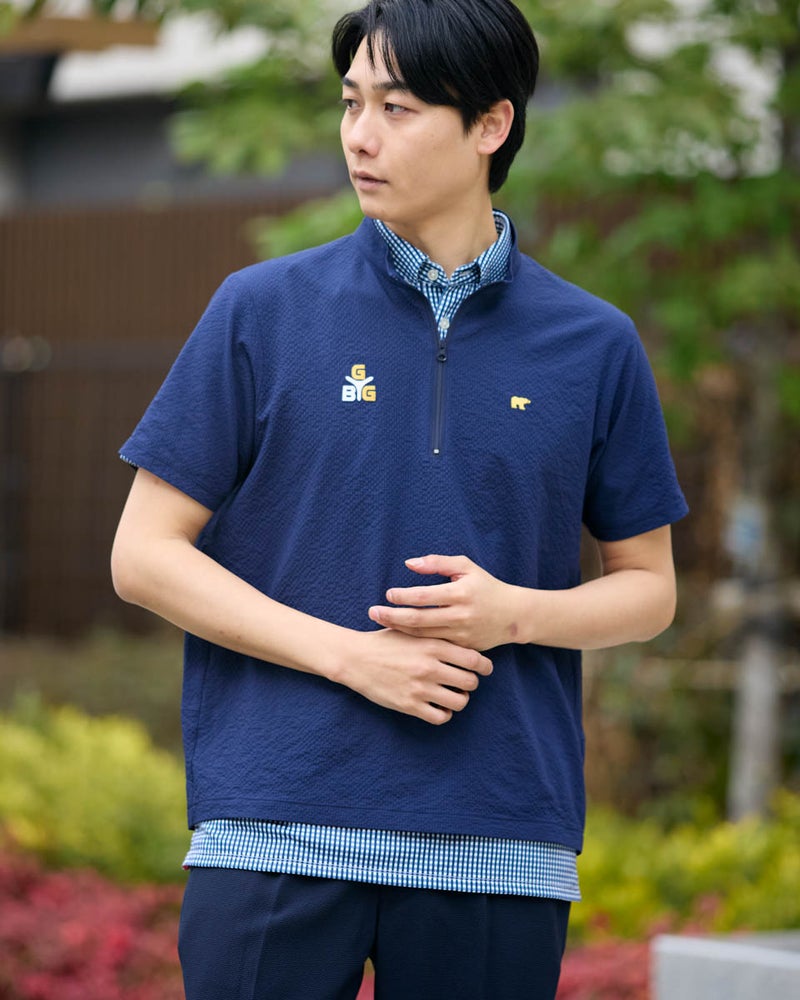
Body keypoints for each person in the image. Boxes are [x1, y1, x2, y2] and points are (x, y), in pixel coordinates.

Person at [111, 0, 688, 997]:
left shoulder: (592, 343)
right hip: (274, 827)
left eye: (398, 107)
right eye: (350, 103)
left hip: (497, 839)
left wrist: (515, 612)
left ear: (491, 125)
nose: (359, 135)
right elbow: (144, 555)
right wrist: (353, 658)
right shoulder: (260, 311)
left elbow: (649, 587)